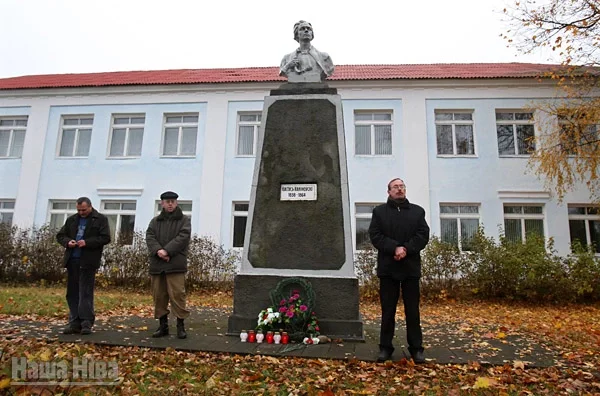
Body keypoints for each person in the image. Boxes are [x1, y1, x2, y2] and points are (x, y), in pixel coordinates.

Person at [368, 178, 430, 363]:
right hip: (388, 268)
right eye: (395, 187)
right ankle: (385, 348)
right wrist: (394, 247)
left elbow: (423, 235)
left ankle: (416, 349)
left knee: (413, 311)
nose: (399, 189)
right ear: (388, 191)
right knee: (388, 311)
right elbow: (375, 235)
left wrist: (406, 249)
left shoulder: (418, 212)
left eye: (402, 186)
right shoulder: (379, 212)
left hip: (410, 268)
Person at [56, 197, 111, 335]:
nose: (81, 212)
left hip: (88, 261)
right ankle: (74, 321)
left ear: (90, 207)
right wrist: (68, 242)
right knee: (72, 292)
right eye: (79, 210)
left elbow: (105, 238)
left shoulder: (100, 219)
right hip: (72, 260)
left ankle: (86, 322)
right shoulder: (72, 220)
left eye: (84, 210)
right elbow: (60, 235)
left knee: (85, 292)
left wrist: (87, 242)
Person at [146, 191, 192, 339]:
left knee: (178, 295)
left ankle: (180, 326)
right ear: (162, 204)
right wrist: (158, 251)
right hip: (157, 264)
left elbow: (183, 237)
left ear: (176, 203)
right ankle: (163, 325)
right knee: (159, 296)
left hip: (175, 264)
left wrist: (167, 251)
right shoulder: (155, 222)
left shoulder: (184, 220)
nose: (170, 204)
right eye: (167, 201)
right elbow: (150, 237)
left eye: (173, 201)